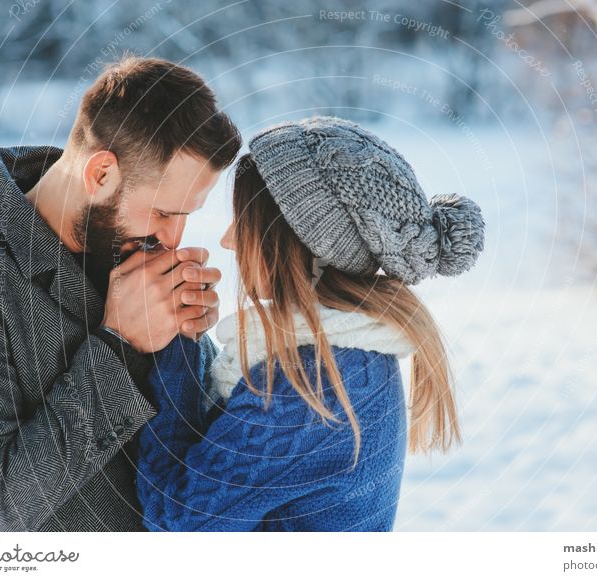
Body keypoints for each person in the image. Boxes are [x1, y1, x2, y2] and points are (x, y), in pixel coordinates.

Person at [0, 55, 241, 531]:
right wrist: (118, 344)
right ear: (101, 174)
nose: (173, 238)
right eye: (164, 213)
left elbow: (193, 442)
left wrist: (190, 348)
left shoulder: (130, 243)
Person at [136, 116, 486, 531]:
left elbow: (180, 520)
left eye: (243, 222)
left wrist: (172, 347)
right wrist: (188, 339)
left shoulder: (311, 381)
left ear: (296, 241)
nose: (229, 240)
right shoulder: (349, 353)